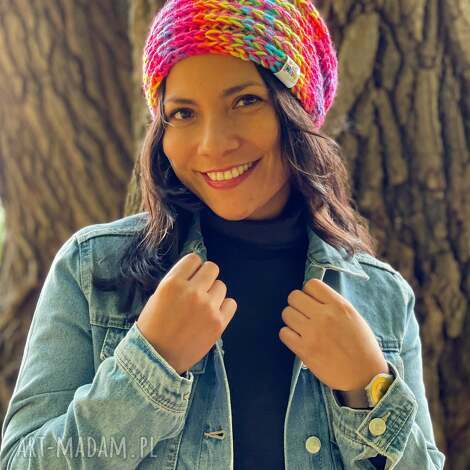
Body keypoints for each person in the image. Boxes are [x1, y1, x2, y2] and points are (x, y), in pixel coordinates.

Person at [0, 0, 446, 469]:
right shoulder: (91, 269)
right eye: (183, 113)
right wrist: (151, 366)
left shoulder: (382, 296)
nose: (213, 144)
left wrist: (369, 388)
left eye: (245, 101)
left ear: (296, 111)